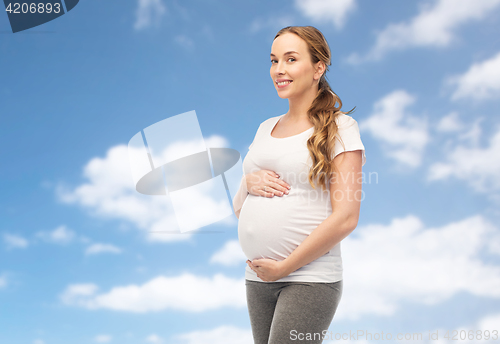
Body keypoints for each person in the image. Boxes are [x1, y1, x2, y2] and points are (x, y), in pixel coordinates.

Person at [232, 26, 366, 344]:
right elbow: (240, 208)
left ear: (318, 67)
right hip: (258, 277)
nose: (279, 70)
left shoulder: (341, 127)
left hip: (309, 278)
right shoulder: (265, 128)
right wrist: (247, 182)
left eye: (291, 59)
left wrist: (284, 267)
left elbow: (347, 217)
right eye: (274, 60)